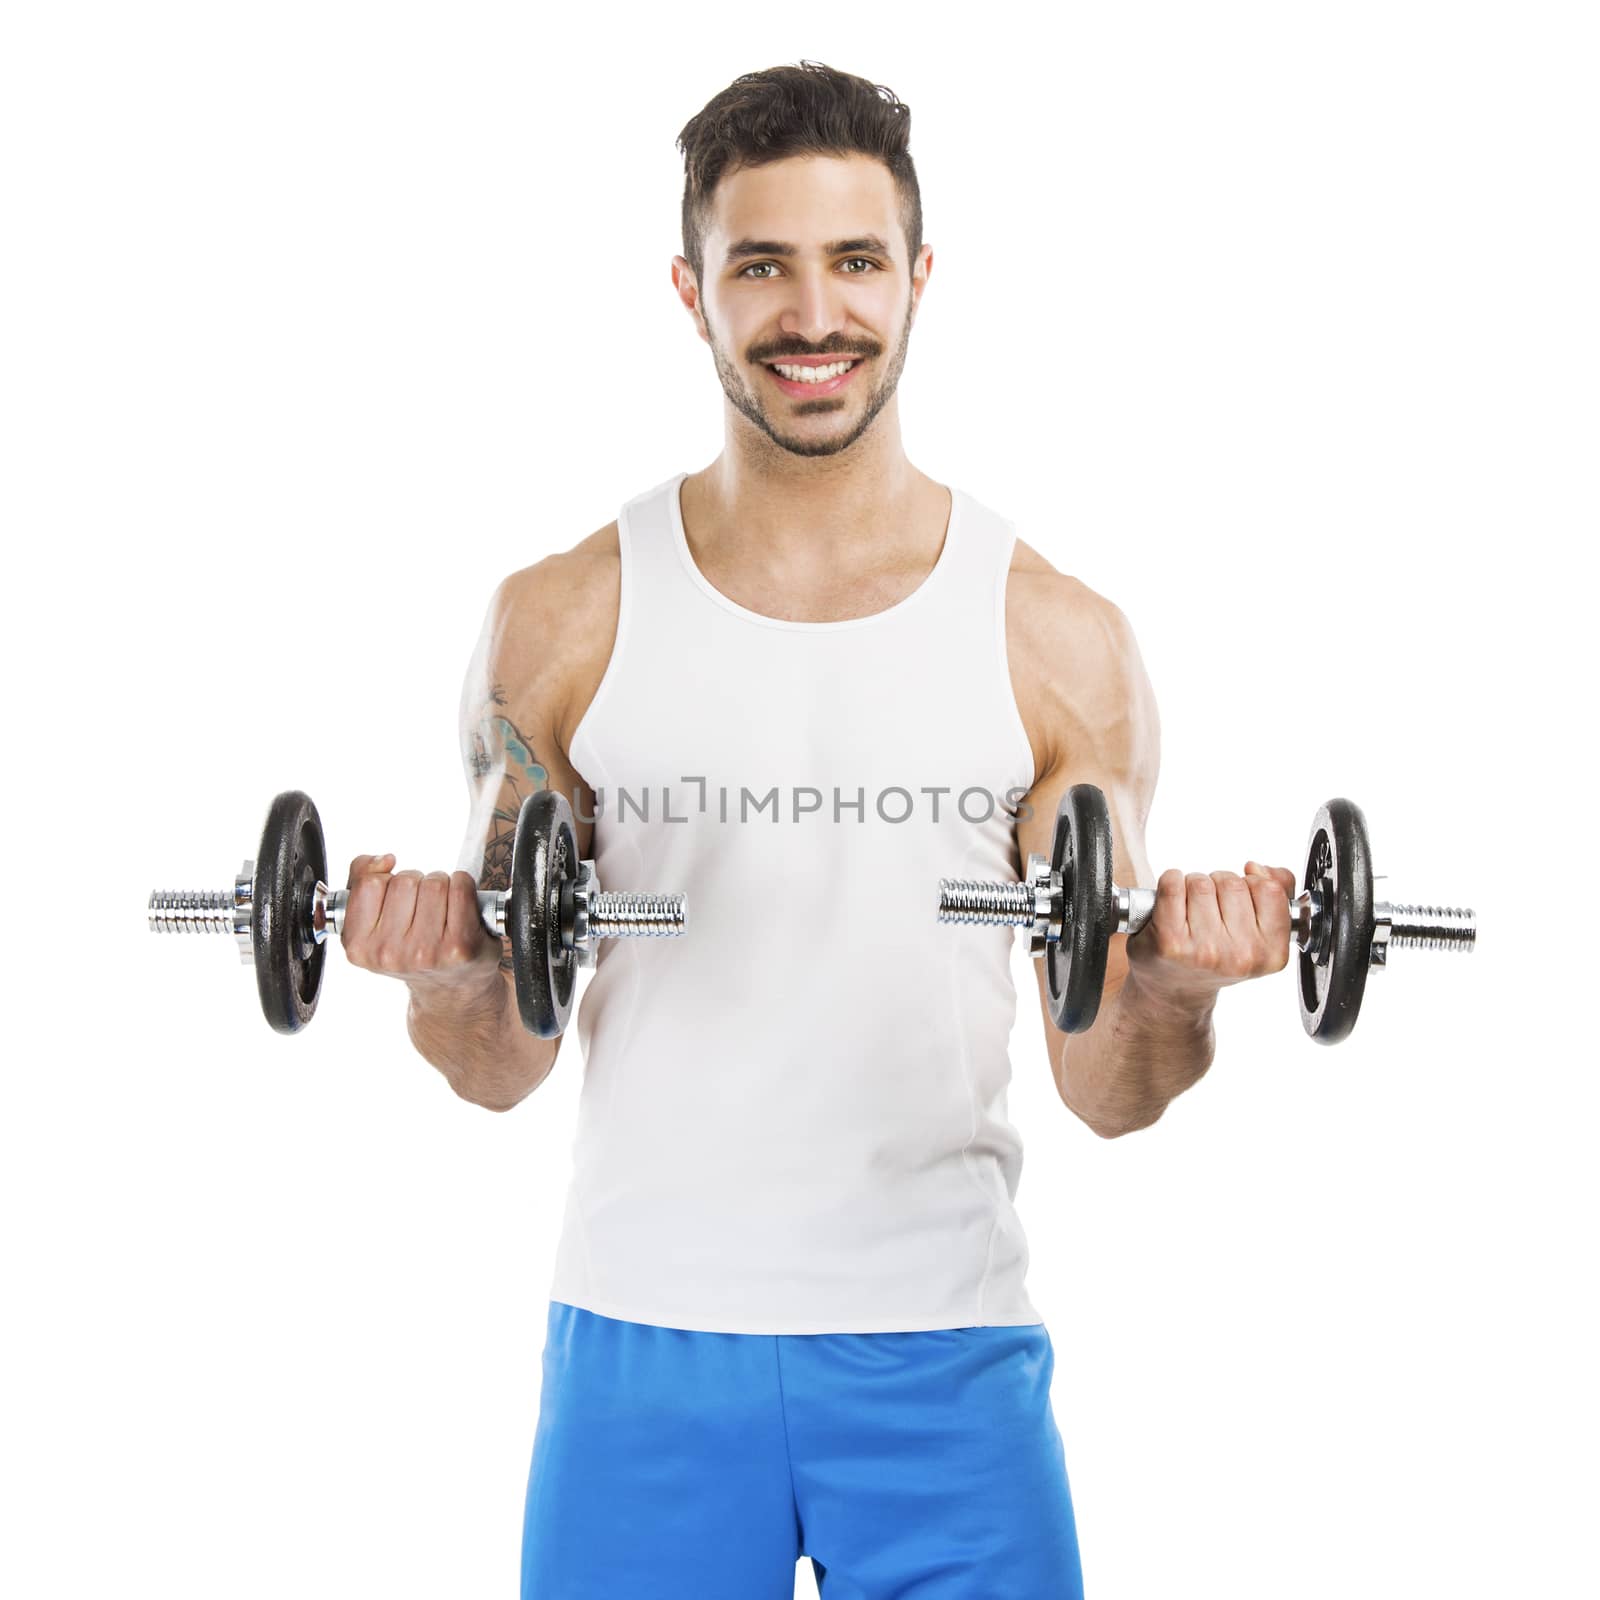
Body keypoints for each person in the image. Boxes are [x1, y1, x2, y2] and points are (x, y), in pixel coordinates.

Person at [339, 59, 1299, 1600]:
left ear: (919, 279)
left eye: (855, 261)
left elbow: (1108, 1085)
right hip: (642, 1346)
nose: (812, 315)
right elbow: (499, 1062)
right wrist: (437, 973)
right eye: (760, 264)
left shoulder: (1058, 642)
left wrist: (1182, 984)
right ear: (689, 288)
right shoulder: (563, 622)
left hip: (944, 1350)